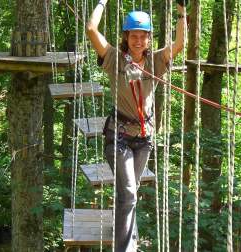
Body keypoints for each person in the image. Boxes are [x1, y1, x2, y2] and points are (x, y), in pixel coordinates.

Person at [86, 0, 187, 251]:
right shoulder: (113, 58)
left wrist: (182, 12)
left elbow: (179, 45)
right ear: (126, 37)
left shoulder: (155, 62)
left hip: (144, 139)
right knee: (129, 192)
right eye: (134, 36)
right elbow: (90, 29)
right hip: (118, 137)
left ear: (149, 39)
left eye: (143, 36)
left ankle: (128, 237)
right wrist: (101, 2)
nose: (138, 41)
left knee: (129, 193)